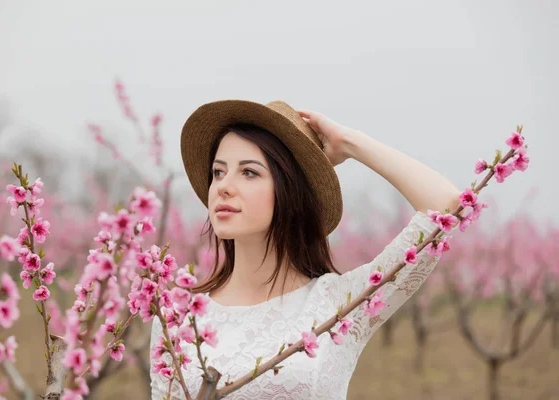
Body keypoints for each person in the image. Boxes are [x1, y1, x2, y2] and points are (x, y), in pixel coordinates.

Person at [150, 100, 461, 399]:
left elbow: (446, 204)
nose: (223, 186)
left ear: (290, 192)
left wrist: (352, 143)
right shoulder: (176, 316)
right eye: (218, 172)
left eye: (249, 172)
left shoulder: (342, 305)